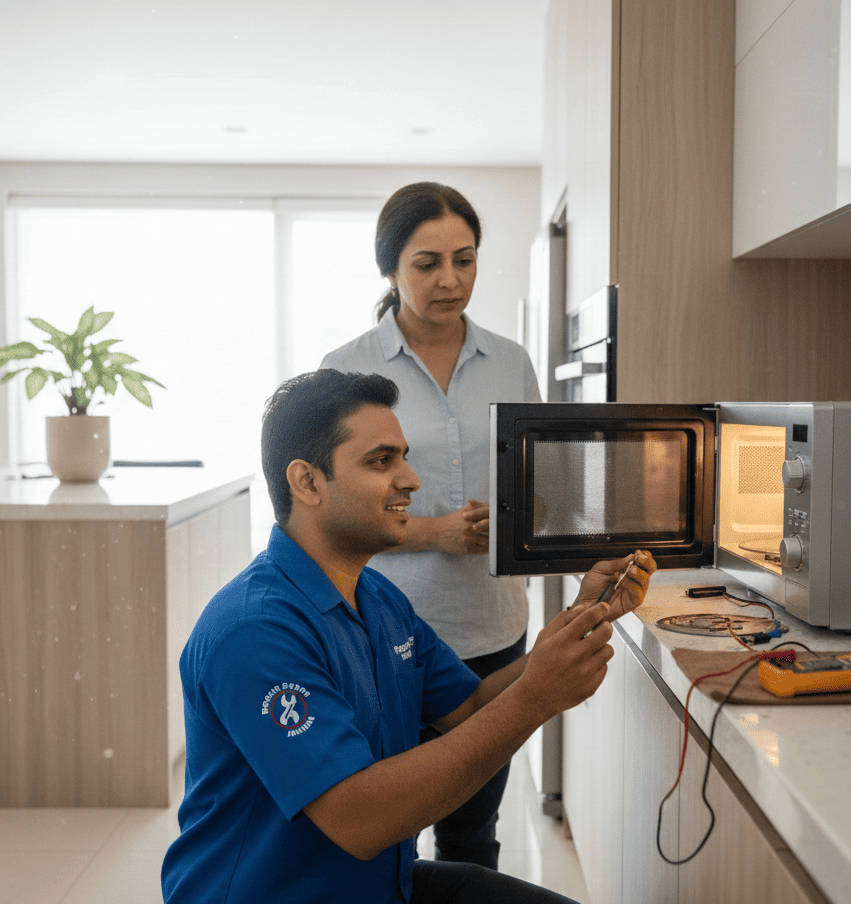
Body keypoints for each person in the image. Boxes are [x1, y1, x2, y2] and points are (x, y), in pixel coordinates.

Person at [160, 369, 657, 904]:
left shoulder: (377, 598)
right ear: (306, 482)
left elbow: (469, 706)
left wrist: (583, 617)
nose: (411, 479)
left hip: (379, 887)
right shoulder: (255, 629)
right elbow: (362, 820)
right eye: (381, 461)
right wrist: (535, 700)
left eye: (403, 456)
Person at [319, 182, 540, 869]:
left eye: (465, 259)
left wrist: (514, 525)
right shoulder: (345, 369)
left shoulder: (512, 362)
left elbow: (536, 485)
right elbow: (328, 516)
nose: (451, 280)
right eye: (427, 263)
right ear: (390, 269)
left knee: (473, 834)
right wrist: (436, 532)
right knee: (388, 836)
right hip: (383, 633)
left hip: (491, 628)